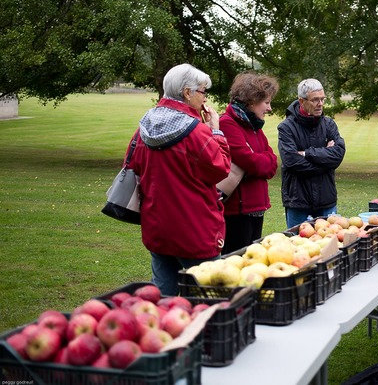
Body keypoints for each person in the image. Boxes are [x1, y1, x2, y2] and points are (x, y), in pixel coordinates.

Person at [128, 63, 231, 295]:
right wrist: (215, 130)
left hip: (157, 227)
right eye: (203, 92)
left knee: (164, 298)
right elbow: (221, 168)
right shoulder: (197, 131)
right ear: (187, 92)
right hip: (195, 229)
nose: (205, 98)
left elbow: (133, 164)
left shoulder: (145, 125)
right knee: (210, 296)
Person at [219, 71, 279, 254]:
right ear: (252, 100)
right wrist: (259, 160)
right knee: (235, 260)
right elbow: (251, 162)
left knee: (252, 259)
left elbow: (272, 163)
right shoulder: (228, 124)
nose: (269, 108)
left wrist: (260, 161)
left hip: (256, 208)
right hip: (237, 213)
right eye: (266, 102)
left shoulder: (254, 126)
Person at [278, 78, 346, 228]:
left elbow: (338, 154)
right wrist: (325, 163)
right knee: (297, 245)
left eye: (322, 99)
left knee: (330, 246)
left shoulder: (329, 124)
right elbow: (291, 161)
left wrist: (306, 153)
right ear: (301, 101)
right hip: (298, 201)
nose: (320, 104)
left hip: (326, 199)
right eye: (315, 100)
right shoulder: (286, 128)